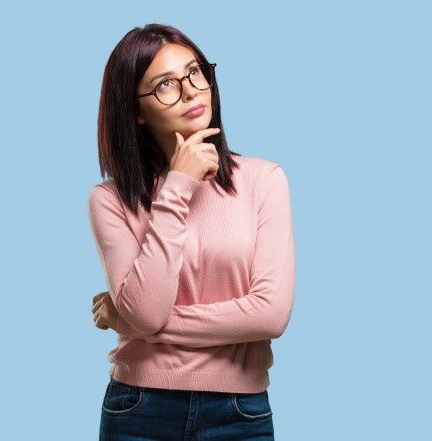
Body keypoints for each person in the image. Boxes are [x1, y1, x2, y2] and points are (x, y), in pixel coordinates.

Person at [87, 23, 295, 440]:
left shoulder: (263, 179)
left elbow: (270, 314)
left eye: (195, 72)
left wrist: (127, 321)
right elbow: (145, 311)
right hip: (139, 407)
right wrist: (178, 186)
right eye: (165, 84)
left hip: (240, 413)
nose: (190, 90)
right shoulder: (110, 200)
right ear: (136, 111)